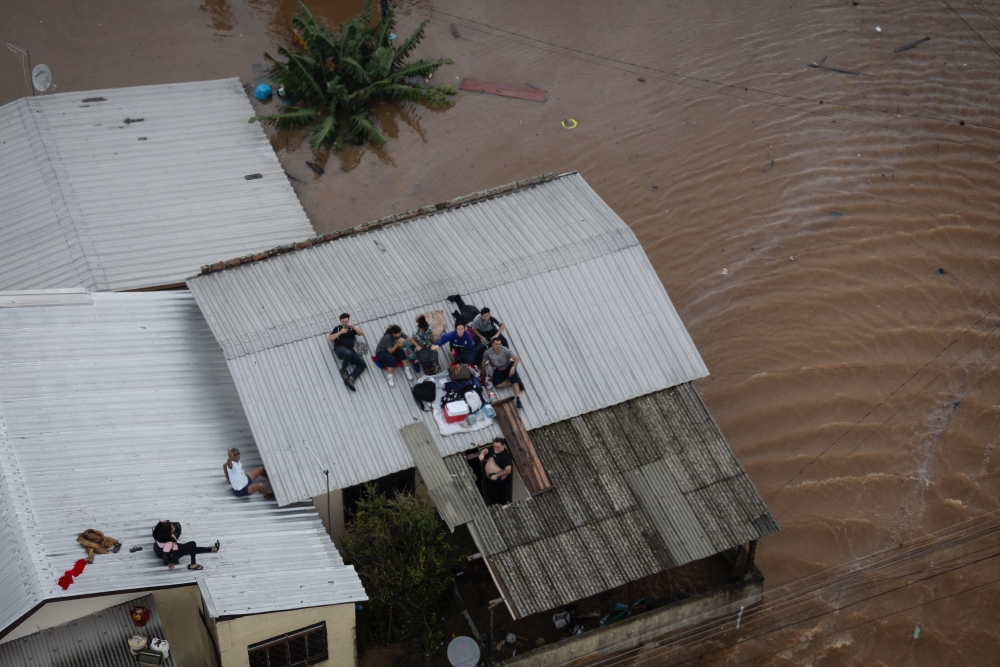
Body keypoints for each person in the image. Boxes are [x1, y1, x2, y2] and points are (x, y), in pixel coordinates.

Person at [151, 520, 219, 571]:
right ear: (168, 532)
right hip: (172, 554)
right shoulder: (169, 542)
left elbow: (155, 528)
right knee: (192, 544)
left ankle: (212, 549)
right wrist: (167, 563)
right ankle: (193, 564)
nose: (174, 528)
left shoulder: (159, 532)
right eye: (172, 528)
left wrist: (164, 523)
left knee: (191, 548)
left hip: (158, 549)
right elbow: (164, 554)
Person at [481, 338, 524, 408]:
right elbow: (483, 363)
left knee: (514, 381)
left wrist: (512, 369)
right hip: (498, 369)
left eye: (499, 344)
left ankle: (518, 400)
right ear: (492, 344)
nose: (498, 346)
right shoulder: (488, 352)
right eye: (496, 344)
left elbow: (516, 358)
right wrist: (483, 373)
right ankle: (514, 382)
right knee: (497, 385)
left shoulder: (505, 350)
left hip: (508, 367)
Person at [328, 313, 366, 392]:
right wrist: (341, 332)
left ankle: (351, 379)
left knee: (362, 364)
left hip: (350, 349)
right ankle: (343, 370)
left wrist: (353, 327)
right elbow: (330, 338)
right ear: (340, 321)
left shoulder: (351, 329)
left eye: (346, 321)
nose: (345, 323)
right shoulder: (337, 328)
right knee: (347, 353)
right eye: (343, 321)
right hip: (340, 348)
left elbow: (361, 333)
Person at [479, 437, 513, 506]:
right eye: (495, 446)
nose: (495, 448)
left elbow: (508, 470)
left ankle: (497, 506)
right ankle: (494, 504)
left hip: (498, 479)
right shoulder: (493, 448)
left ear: (503, 446)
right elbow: (485, 450)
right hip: (491, 478)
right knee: (491, 492)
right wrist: (482, 454)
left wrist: (496, 475)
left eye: (498, 447)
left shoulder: (505, 456)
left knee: (498, 494)